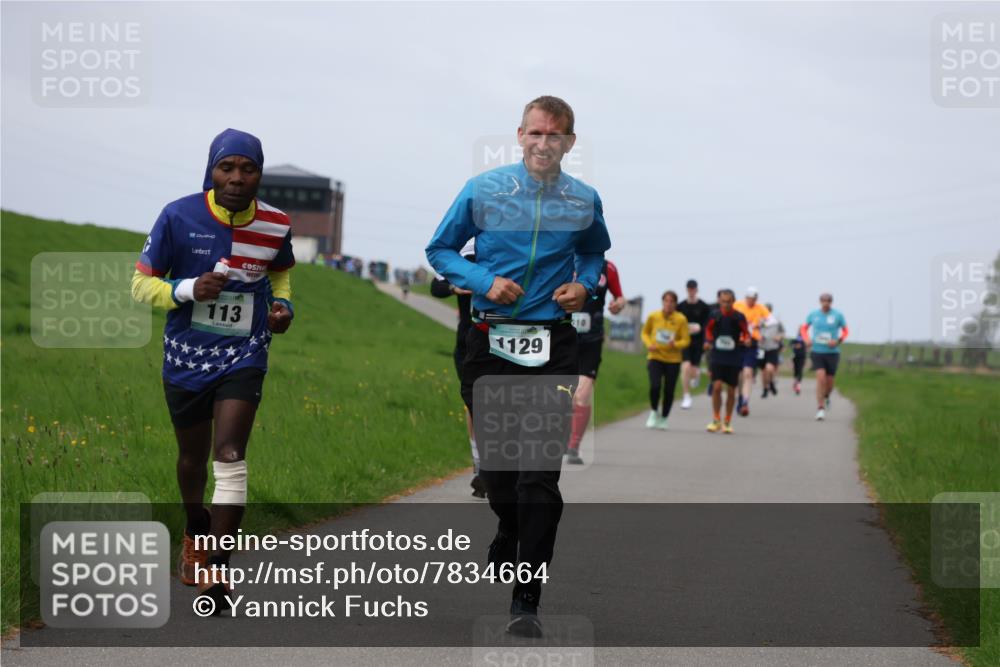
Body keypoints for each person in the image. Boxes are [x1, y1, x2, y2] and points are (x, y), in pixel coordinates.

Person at [426, 96, 611, 637]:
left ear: (570, 143)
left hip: (552, 343)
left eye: (555, 135)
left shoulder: (584, 200)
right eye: (535, 133)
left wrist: (584, 285)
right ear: (520, 136)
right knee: (501, 478)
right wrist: (485, 282)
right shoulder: (482, 190)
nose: (543, 143)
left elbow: (597, 254)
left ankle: (526, 598)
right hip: (488, 341)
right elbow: (441, 250)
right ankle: (508, 527)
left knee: (539, 478)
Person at [130, 129, 295, 610]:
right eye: (228, 168)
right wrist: (186, 291)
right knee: (191, 460)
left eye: (248, 169)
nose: (237, 179)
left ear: (260, 174)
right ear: (212, 170)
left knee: (229, 453)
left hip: (246, 351)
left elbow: (280, 269)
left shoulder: (276, 224)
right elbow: (141, 287)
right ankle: (194, 528)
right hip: (185, 355)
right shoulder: (178, 215)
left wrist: (282, 306)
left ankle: (218, 569)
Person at [430, 238, 486, 497]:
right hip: (467, 340)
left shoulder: (509, 248)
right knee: (473, 402)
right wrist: (456, 288)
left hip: (503, 339)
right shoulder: (465, 251)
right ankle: (480, 466)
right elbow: (436, 286)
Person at [565, 259, 626, 464]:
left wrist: (617, 305)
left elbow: (620, 298)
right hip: (562, 336)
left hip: (591, 339)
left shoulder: (607, 268)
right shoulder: (561, 257)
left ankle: (573, 446)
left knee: (582, 394)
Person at [640, 290, 690, 429]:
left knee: (669, 390)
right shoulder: (653, 316)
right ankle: (654, 411)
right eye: (666, 301)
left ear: (675, 304)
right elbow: (645, 332)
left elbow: (686, 340)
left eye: (672, 301)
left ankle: (664, 417)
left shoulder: (681, 319)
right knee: (655, 386)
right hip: (655, 357)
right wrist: (649, 344)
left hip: (673, 360)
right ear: (662, 302)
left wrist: (676, 344)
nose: (668, 304)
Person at [704, 289, 750, 434]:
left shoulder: (739, 317)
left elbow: (746, 333)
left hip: (733, 357)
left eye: (728, 301)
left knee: (731, 391)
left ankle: (727, 421)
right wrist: (708, 341)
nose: (725, 304)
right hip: (717, 355)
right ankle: (716, 419)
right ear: (719, 301)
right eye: (723, 301)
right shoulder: (714, 315)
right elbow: (708, 330)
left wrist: (746, 340)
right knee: (717, 387)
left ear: (733, 301)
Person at [800, 293, 849, 420]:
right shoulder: (813, 315)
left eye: (828, 301)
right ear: (820, 301)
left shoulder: (837, 315)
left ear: (831, 302)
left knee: (829, 383)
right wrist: (806, 339)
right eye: (823, 300)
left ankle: (826, 396)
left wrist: (837, 341)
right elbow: (803, 329)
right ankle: (820, 408)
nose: (825, 303)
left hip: (832, 353)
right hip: (817, 351)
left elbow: (846, 331)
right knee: (820, 378)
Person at [733, 287, 771, 417]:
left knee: (748, 373)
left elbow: (771, 321)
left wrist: (761, 324)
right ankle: (739, 397)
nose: (751, 301)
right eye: (749, 298)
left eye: (754, 299)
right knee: (738, 375)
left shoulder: (760, 308)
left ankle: (745, 402)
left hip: (752, 343)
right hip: (737, 343)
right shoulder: (737, 305)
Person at [677, 279, 710, 410]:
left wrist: (706, 340)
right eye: (689, 289)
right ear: (687, 290)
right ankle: (686, 396)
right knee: (685, 367)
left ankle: (696, 375)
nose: (691, 291)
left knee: (694, 370)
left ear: (696, 290)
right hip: (685, 341)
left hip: (699, 342)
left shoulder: (704, 307)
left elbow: (707, 325)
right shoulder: (681, 306)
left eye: (693, 289)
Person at [758, 305, 784, 398]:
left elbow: (782, 332)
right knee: (763, 371)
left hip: (772, 348)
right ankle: (765, 389)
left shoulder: (776, 321)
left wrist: (779, 337)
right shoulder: (758, 320)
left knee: (770, 368)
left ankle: (771, 382)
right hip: (761, 348)